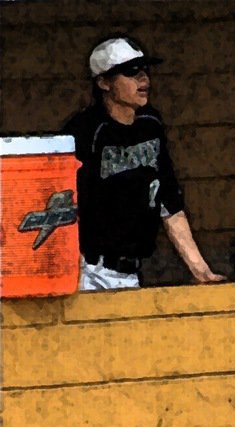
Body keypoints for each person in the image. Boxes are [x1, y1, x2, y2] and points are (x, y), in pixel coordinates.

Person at [62, 36, 225, 292]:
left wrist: (201, 270)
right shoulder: (85, 131)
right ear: (104, 82)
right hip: (86, 270)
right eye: (130, 73)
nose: (143, 80)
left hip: (131, 271)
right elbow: (65, 204)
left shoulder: (150, 124)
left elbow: (168, 201)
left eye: (145, 71)